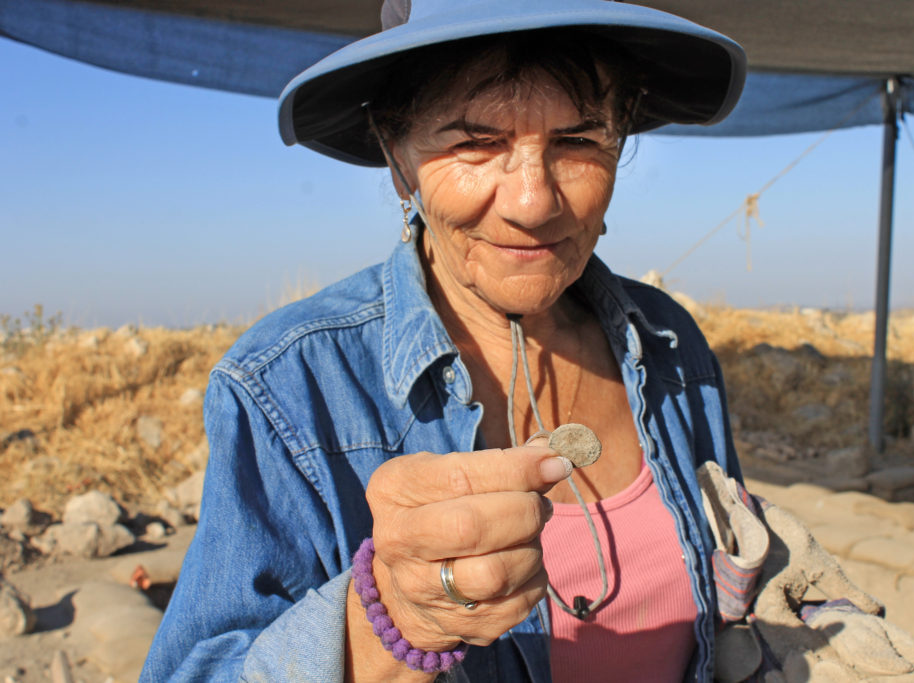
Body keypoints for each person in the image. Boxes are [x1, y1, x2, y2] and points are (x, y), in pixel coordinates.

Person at [141, 0, 747, 681]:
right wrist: (392, 622)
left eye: (578, 142)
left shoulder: (669, 345)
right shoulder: (290, 387)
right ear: (399, 158)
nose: (532, 201)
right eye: (474, 143)